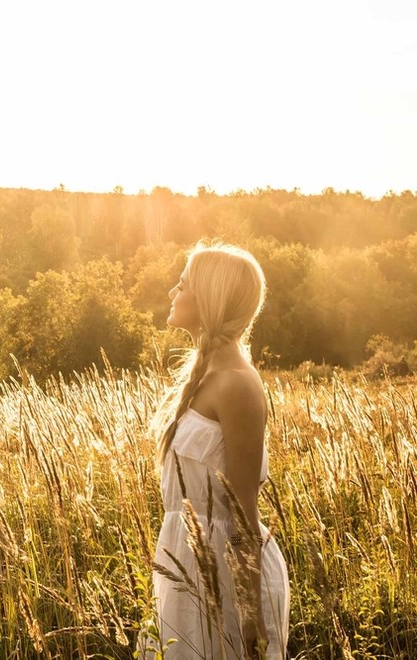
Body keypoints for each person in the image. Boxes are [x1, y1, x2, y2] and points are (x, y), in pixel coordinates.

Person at [138, 241, 290, 659]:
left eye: (182, 284)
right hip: (188, 565)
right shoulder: (207, 374)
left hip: (225, 576)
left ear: (209, 297)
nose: (172, 292)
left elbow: (243, 511)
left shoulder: (238, 383)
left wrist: (250, 611)